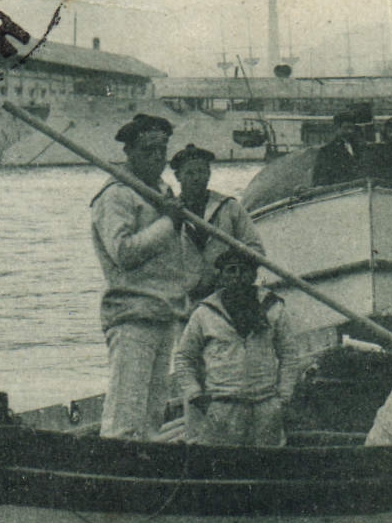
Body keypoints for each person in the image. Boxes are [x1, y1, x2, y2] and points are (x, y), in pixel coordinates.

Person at [90, 113, 189, 439]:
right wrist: (168, 223)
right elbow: (123, 253)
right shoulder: (116, 195)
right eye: (148, 151)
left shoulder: (162, 191)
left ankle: (146, 470)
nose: (157, 159)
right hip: (132, 315)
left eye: (162, 151)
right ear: (129, 152)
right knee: (125, 415)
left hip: (165, 312)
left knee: (152, 414)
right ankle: (114, 475)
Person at [173, 251, 295, 447]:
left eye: (244, 271)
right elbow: (184, 357)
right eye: (231, 271)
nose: (238, 276)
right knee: (221, 466)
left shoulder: (273, 308)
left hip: (265, 407)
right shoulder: (204, 313)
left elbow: (289, 354)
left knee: (268, 466)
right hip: (223, 409)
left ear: (254, 275)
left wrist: (283, 396)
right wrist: (195, 395)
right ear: (221, 276)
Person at [169, 142, 265, 306]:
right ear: (178, 176)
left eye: (201, 171)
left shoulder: (229, 207)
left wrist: (232, 273)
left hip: (226, 296)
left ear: (209, 173)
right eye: (190, 173)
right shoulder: (170, 212)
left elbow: (255, 249)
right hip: (183, 299)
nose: (197, 178)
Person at [310, 104, 374, 186]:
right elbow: (319, 179)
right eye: (346, 128)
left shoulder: (360, 148)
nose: (350, 131)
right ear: (337, 128)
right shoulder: (327, 151)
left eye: (352, 128)